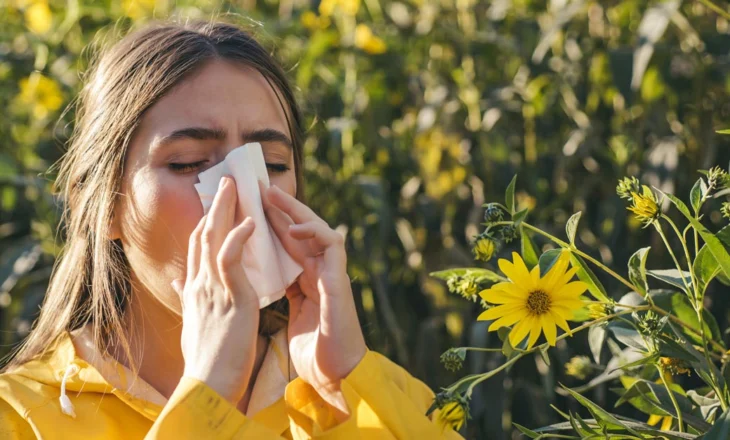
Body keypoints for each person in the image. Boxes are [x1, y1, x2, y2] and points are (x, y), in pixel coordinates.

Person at [0, 20, 463, 439]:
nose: (242, 197)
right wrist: (207, 395)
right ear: (100, 206)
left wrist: (344, 385)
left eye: (271, 164)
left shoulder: (387, 398)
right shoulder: (20, 417)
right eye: (189, 164)